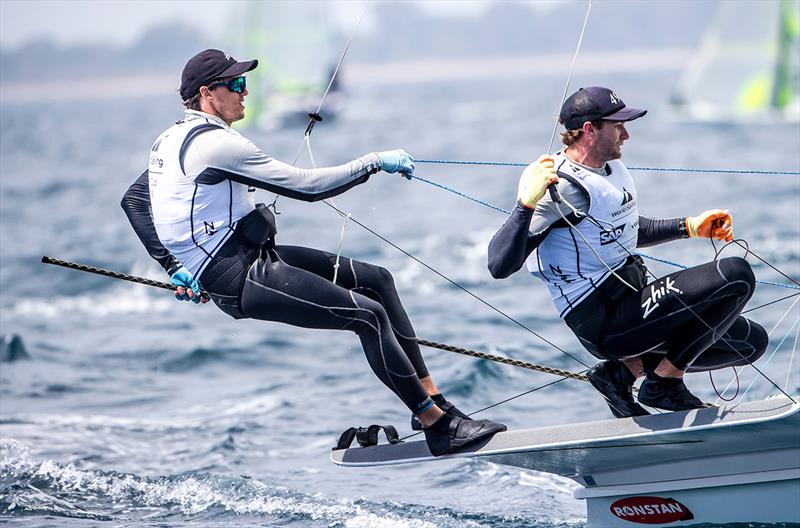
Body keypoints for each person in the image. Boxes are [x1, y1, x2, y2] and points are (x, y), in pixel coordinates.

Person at [121, 49, 505, 455]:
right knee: (367, 316)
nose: (245, 91)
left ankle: (432, 402)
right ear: (207, 94)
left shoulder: (173, 138)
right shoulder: (213, 145)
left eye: (244, 82)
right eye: (235, 85)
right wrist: (373, 162)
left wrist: (176, 265)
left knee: (378, 281)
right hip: (238, 276)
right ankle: (437, 427)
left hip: (253, 258)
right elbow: (307, 187)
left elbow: (134, 199)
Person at [487, 86, 767, 418]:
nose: (627, 134)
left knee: (751, 343)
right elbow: (499, 264)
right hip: (602, 319)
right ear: (590, 130)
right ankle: (663, 383)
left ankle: (620, 375)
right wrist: (525, 204)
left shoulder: (610, 170)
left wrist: (689, 226)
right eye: (618, 126)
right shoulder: (560, 186)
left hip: (632, 300)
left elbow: (623, 230)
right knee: (735, 274)